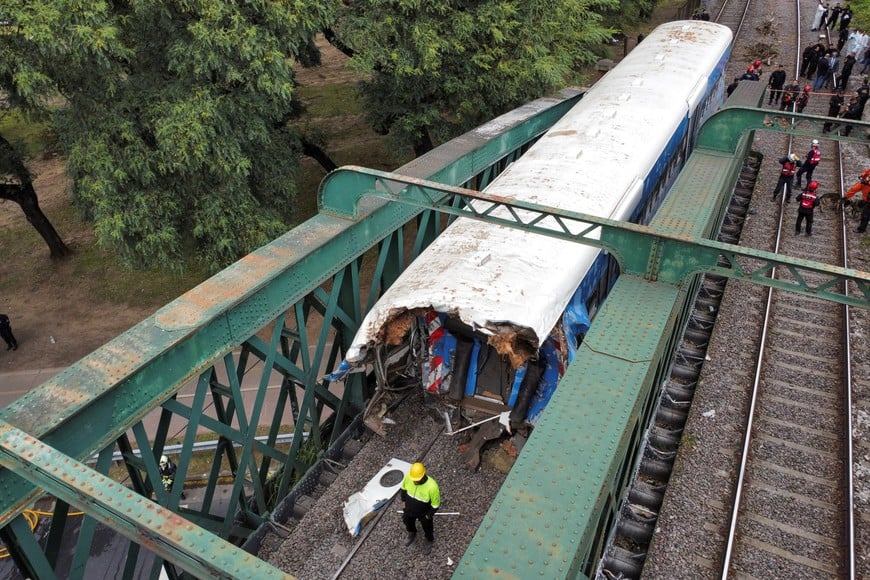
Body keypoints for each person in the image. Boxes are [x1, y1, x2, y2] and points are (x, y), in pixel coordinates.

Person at [401, 462, 441, 555]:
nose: (414, 482)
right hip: (409, 509)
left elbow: (436, 504)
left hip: (424, 513)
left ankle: (429, 539)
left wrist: (428, 516)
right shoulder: (409, 477)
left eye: (417, 480)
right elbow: (403, 490)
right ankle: (412, 532)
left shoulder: (432, 486)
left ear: (423, 476)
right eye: (414, 480)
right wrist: (403, 505)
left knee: (427, 526)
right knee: (407, 520)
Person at [844, 168, 870, 232]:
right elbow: (867, 171)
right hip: (867, 199)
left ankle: (861, 229)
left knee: (865, 215)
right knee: (865, 214)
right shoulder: (863, 184)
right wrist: (862, 175)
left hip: (868, 200)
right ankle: (861, 229)